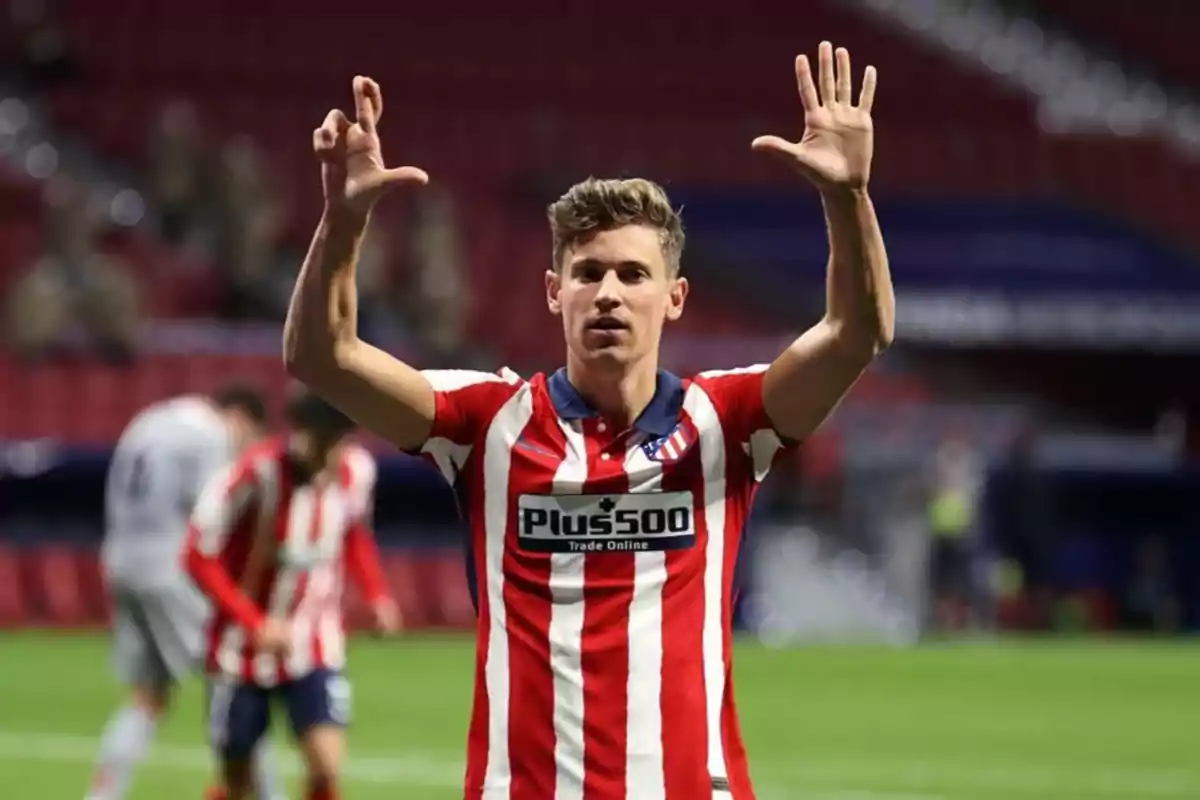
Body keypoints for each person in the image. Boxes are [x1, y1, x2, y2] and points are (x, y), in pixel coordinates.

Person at [285, 40, 893, 799]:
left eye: (634, 274)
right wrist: (341, 223)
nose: (609, 292)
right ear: (553, 292)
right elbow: (322, 357)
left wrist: (849, 197)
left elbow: (856, 335)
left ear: (674, 297)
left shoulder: (727, 420)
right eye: (588, 273)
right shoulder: (486, 423)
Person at [184, 387, 398, 800]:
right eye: (331, 439)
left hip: (314, 644)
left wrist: (377, 595)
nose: (339, 450)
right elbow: (196, 555)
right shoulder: (253, 475)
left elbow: (353, 533)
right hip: (241, 649)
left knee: (326, 763)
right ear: (305, 434)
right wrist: (253, 621)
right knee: (237, 778)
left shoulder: (356, 472)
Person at [87, 386, 283, 800]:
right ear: (242, 417)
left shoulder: (150, 419)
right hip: (171, 567)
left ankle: (101, 796)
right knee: (232, 681)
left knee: (148, 694)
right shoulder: (210, 434)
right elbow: (214, 510)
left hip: (121, 560)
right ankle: (267, 794)